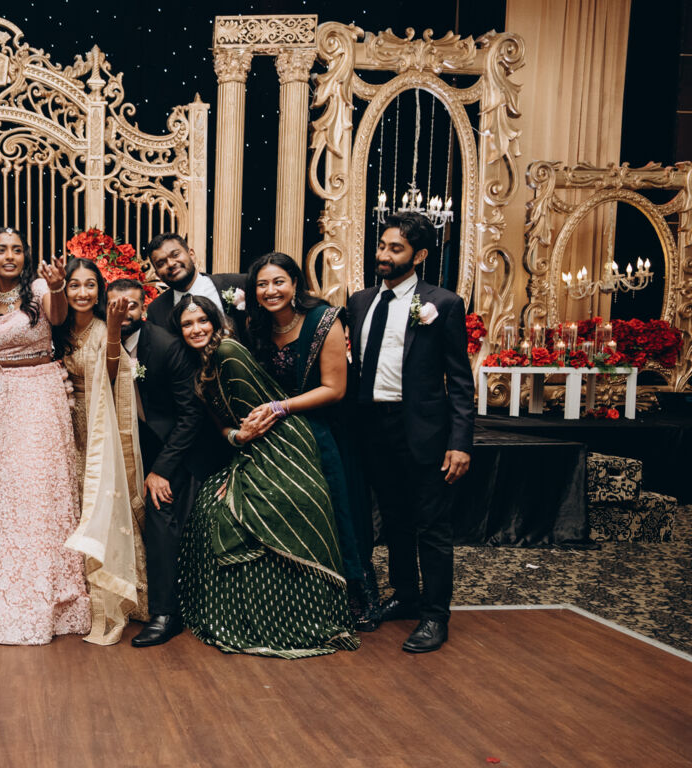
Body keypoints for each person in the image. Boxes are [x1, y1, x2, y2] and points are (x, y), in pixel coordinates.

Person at [170, 295, 360, 658]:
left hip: (283, 445)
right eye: (187, 324)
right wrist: (237, 439)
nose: (196, 329)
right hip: (250, 447)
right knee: (210, 504)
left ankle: (282, 618)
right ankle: (241, 615)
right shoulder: (199, 366)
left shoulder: (227, 352)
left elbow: (259, 419)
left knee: (238, 508)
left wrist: (243, 459)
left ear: (216, 322)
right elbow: (229, 427)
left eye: (202, 321)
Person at [0, 227, 87, 645]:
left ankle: (51, 594)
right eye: (1, 250)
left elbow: (58, 318)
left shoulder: (41, 289)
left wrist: (59, 287)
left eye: (16, 250)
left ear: (25, 256)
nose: (9, 256)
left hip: (40, 391)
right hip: (0, 397)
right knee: (5, 491)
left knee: (40, 487)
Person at [349, 212, 475, 653]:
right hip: (372, 427)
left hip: (422, 430)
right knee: (394, 520)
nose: (383, 255)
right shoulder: (360, 301)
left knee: (432, 526)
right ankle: (405, 595)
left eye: (395, 249)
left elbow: (459, 380)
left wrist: (460, 443)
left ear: (419, 256)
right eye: (382, 246)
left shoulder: (443, 303)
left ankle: (436, 616)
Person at [242, 251, 380, 631]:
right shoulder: (257, 327)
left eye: (278, 282)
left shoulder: (324, 320)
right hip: (280, 434)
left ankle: (353, 597)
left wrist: (280, 407)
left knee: (338, 513)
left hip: (328, 430)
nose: (271, 291)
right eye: (262, 284)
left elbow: (335, 389)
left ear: (294, 284)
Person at [110, 279, 211, 648]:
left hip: (178, 450)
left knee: (159, 511)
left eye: (132, 305)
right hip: (130, 447)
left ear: (144, 308)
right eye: (116, 305)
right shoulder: (104, 342)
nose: (124, 313)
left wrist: (160, 471)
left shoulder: (167, 346)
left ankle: (166, 614)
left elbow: (190, 416)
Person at [56, 258, 146, 644]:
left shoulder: (101, 329)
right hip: (59, 429)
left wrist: (111, 331)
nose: (82, 292)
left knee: (96, 502)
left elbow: (112, 375)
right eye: (74, 285)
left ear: (100, 292)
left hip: (96, 429)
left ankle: (109, 596)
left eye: (90, 285)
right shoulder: (56, 328)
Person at [142, 232, 226, 331]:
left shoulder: (234, 284)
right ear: (157, 274)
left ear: (191, 255)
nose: (171, 264)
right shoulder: (156, 311)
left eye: (175, 255)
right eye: (161, 263)